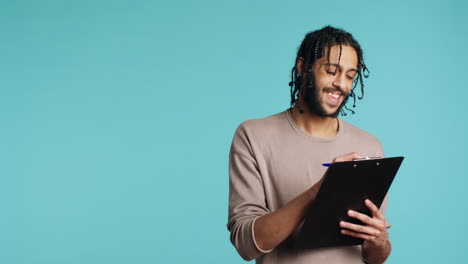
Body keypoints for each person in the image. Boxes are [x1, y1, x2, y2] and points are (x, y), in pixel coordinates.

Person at [227, 26, 392, 263]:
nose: (341, 84)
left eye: (350, 75)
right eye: (331, 71)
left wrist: (379, 241)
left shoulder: (370, 146)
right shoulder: (253, 135)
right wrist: (319, 191)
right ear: (303, 67)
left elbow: (374, 257)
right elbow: (246, 245)